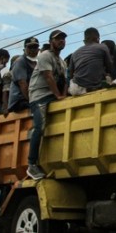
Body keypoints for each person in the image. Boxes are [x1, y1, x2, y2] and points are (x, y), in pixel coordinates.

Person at [26, 30, 68, 180]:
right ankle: (31, 164)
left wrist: (63, 96)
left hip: (52, 95)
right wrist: (58, 95)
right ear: (51, 41)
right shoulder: (45, 56)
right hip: (39, 96)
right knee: (40, 126)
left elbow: (64, 80)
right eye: (58, 39)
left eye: (63, 39)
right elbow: (48, 77)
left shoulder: (61, 62)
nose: (61, 41)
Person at [68, 27, 113, 96]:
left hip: (78, 89)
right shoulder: (102, 47)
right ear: (97, 38)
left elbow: (70, 75)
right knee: (108, 77)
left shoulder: (74, 53)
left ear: (84, 40)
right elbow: (110, 67)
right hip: (95, 86)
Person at [7, 37, 40, 114]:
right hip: (19, 100)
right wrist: (32, 101)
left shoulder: (37, 62)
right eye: (30, 47)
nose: (32, 50)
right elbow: (23, 84)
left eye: (35, 47)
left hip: (30, 97)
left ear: (38, 49)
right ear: (24, 49)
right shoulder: (20, 62)